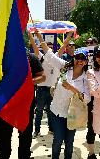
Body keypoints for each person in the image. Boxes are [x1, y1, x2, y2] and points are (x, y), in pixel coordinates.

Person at [36, 31, 90, 159]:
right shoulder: (64, 67)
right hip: (57, 111)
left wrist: (72, 88)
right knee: (58, 140)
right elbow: (49, 55)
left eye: (83, 59)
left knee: (69, 142)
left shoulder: (86, 78)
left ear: (86, 61)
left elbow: (86, 98)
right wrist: (39, 37)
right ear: (74, 58)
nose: (80, 61)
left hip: (72, 114)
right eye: (78, 58)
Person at [0, 52, 45, 159]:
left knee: (25, 140)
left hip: (25, 106)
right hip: (5, 106)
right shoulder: (0, 57)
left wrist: (26, 82)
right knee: (3, 140)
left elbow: (42, 77)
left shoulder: (31, 58)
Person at [28, 31, 56, 138]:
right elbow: (34, 45)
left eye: (50, 47)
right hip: (41, 89)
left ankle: (51, 129)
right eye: (47, 47)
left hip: (51, 89)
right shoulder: (41, 57)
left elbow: (64, 46)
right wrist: (32, 35)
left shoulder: (55, 58)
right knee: (39, 111)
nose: (48, 49)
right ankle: (37, 130)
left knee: (50, 111)